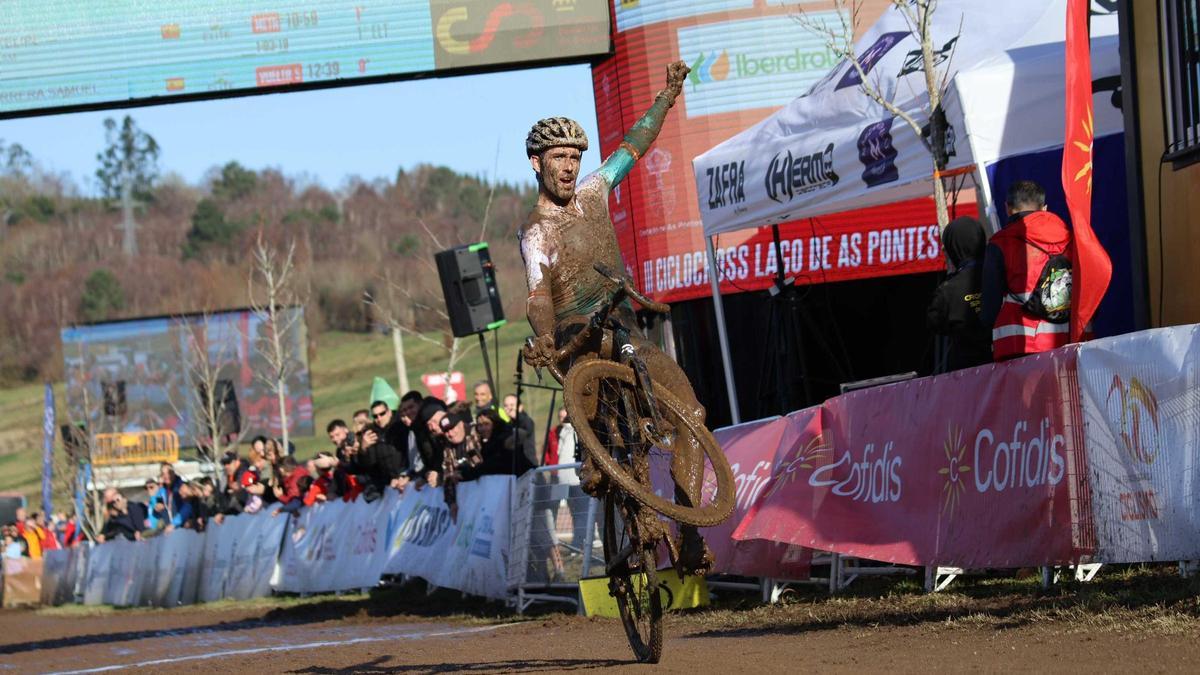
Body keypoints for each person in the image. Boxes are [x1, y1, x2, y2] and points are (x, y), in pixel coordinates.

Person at [518, 60, 714, 573]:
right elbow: (538, 295)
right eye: (558, 157)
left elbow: (635, 146)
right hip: (578, 335)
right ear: (537, 163)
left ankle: (689, 526)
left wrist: (667, 97)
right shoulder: (536, 231)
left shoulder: (595, 191)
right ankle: (595, 454)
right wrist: (544, 337)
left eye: (574, 157)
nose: (568, 166)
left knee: (690, 413)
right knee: (589, 393)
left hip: (624, 327)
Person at [980, 180, 1073, 361]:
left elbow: (989, 306)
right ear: (1044, 208)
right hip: (1070, 341)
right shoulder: (1071, 238)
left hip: (1019, 344)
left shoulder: (1000, 243)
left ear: (1007, 208)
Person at [927, 216, 993, 370]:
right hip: (1002, 364)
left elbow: (934, 322)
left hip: (964, 373)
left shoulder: (948, 289)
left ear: (952, 247)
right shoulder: (999, 275)